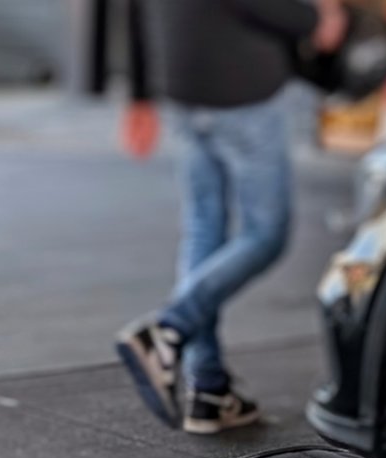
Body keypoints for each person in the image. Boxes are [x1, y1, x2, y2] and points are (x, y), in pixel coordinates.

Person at [116, 0, 348, 435]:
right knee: (266, 233)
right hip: (242, 92)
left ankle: (207, 387)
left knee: (205, 229)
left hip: (183, 85)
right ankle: (167, 329)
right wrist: (315, 19)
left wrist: (141, 92)